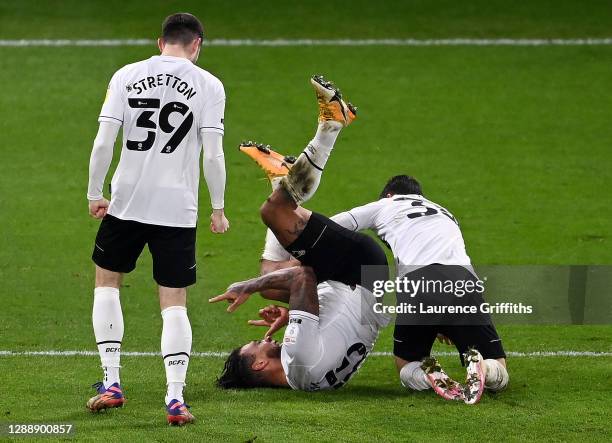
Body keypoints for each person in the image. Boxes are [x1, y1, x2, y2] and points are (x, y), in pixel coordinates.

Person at [85, 12, 229, 425]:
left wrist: (96, 193)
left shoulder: (127, 74)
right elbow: (213, 154)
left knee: (107, 282)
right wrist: (217, 208)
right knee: (174, 303)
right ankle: (175, 398)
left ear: (159, 41)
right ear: (197, 44)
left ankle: (112, 381)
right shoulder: (209, 85)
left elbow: (103, 141)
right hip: (177, 209)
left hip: (127, 201)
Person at [209, 75, 389, 390]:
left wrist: (294, 312)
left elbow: (329, 324)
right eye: (255, 343)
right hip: (357, 272)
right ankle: (332, 125)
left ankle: (282, 179)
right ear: (259, 364)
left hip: (358, 288)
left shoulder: (305, 379)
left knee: (270, 279)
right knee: (273, 213)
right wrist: (247, 286)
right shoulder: (299, 361)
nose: (262, 337)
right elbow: (301, 277)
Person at [331, 175, 509, 404]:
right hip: (463, 280)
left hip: (417, 284)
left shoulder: (385, 205)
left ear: (389, 194)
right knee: (499, 365)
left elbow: (329, 226)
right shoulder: (445, 213)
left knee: (405, 363)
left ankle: (428, 373)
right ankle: (484, 365)